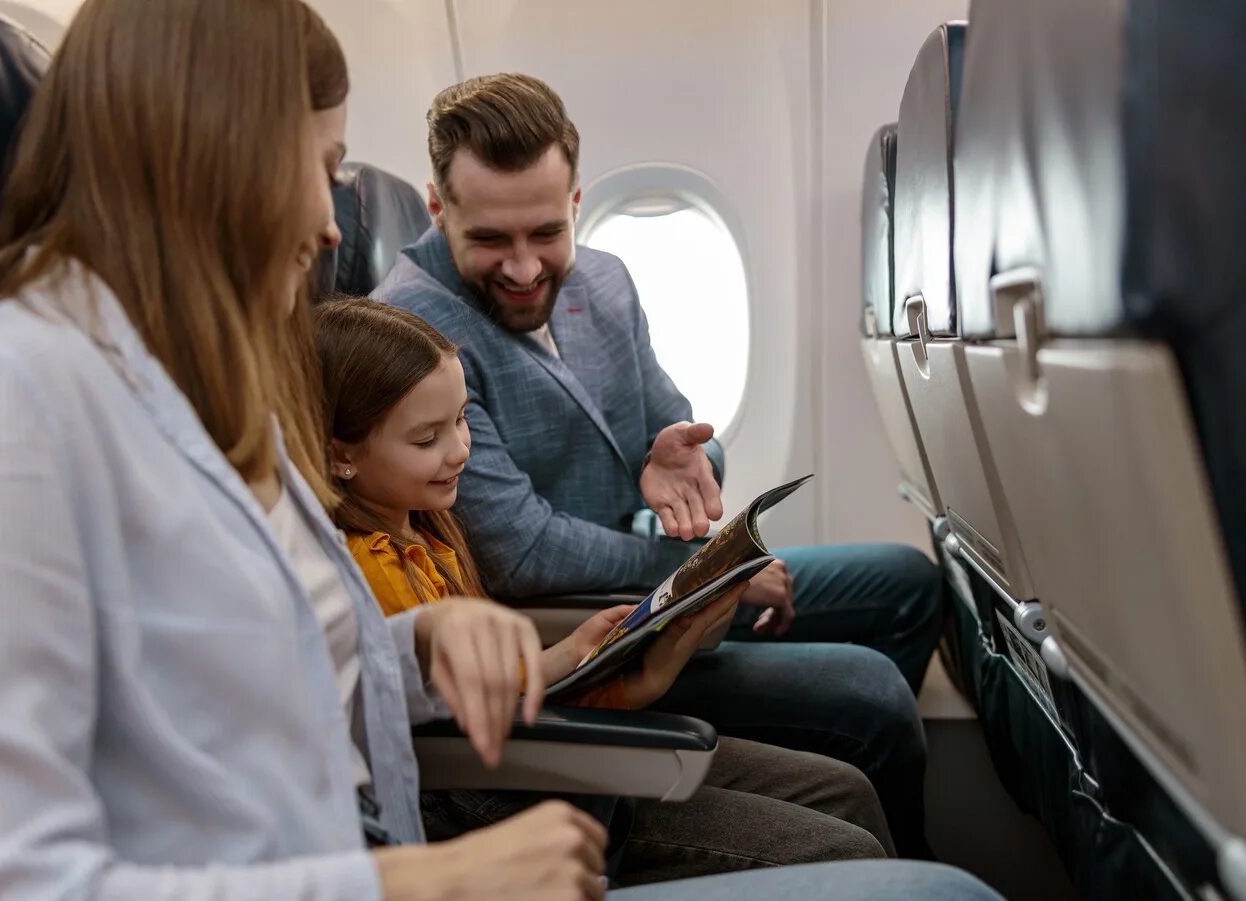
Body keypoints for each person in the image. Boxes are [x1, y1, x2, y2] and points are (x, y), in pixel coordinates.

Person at [0, 1, 1000, 899]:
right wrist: (417, 884)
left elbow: (258, 685)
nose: (326, 223)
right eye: (314, 164)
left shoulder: (197, 381)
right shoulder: (8, 397)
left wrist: (422, 641)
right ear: (205, 155)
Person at [373, 71, 936, 857]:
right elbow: (524, 549)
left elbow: (683, 428)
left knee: (907, 582)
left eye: (545, 232)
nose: (527, 268)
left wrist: (685, 456)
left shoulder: (604, 279)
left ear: (576, 202)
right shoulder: (413, 334)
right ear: (440, 210)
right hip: (589, 617)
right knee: (869, 695)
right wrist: (705, 571)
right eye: (492, 241)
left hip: (653, 580)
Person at [314, 297, 894, 882]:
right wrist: (617, 684)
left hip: (530, 749)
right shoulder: (375, 566)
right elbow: (457, 718)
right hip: (497, 792)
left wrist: (581, 656)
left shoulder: (426, 527)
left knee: (845, 789)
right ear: (342, 457)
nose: (460, 450)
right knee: (844, 844)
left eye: (461, 420)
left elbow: (477, 684)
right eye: (427, 439)